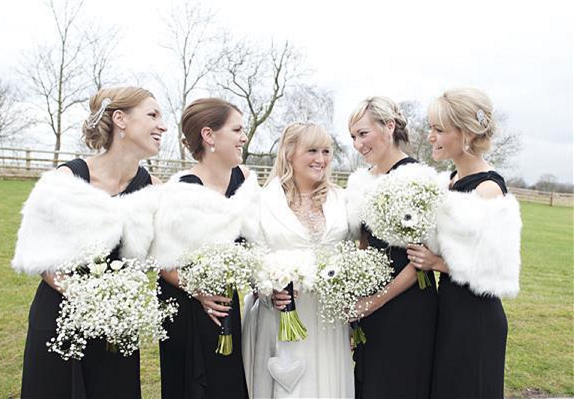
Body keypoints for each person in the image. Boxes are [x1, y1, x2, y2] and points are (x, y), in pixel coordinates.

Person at [12, 86, 167, 398]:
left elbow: (170, 255)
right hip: (59, 315)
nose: (163, 125)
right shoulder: (65, 180)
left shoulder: (154, 189)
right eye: (153, 114)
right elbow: (39, 256)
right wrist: (90, 299)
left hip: (117, 327)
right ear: (120, 119)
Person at [406, 88, 521, 399]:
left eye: (439, 129)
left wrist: (435, 263)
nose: (430, 136)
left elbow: (496, 270)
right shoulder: (450, 180)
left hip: (476, 319)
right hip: (449, 310)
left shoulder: (488, 189)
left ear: (467, 134)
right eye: (430, 127)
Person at [149, 98, 259, 399]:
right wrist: (198, 291)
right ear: (209, 136)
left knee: (228, 383)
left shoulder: (246, 180)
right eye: (236, 129)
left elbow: (256, 241)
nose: (243, 137)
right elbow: (160, 260)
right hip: (187, 307)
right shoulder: (180, 190)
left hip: (225, 304)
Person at [242, 122, 354, 398]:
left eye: (326, 151)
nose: (321, 159)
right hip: (282, 315)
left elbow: (352, 251)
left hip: (329, 317)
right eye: (312, 150)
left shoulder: (341, 199)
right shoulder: (262, 201)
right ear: (289, 153)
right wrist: (269, 290)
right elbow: (253, 256)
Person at [345, 96, 437, 399]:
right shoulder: (359, 182)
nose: (358, 144)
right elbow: (363, 243)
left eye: (363, 133)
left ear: (389, 126)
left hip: (407, 303)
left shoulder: (417, 178)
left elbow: (420, 259)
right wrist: (355, 292)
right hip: (368, 300)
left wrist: (376, 301)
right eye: (353, 137)